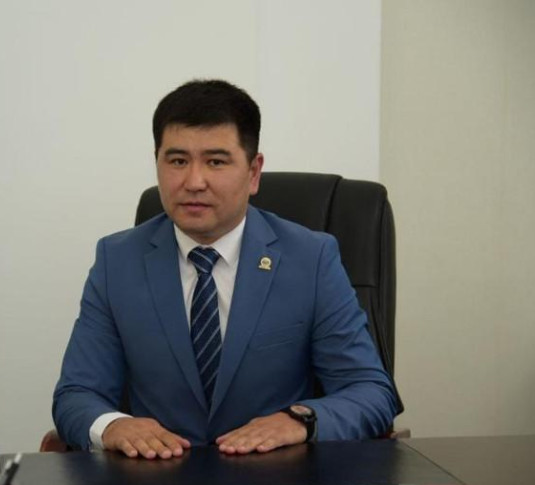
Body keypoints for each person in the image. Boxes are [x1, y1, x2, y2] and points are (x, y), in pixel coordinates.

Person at [52, 79, 399, 460]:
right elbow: (76, 394)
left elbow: (370, 391)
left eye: (216, 162)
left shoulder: (311, 258)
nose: (193, 182)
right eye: (177, 161)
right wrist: (113, 426)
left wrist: (300, 420)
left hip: (275, 480)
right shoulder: (117, 261)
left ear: (253, 172)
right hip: (157, 478)